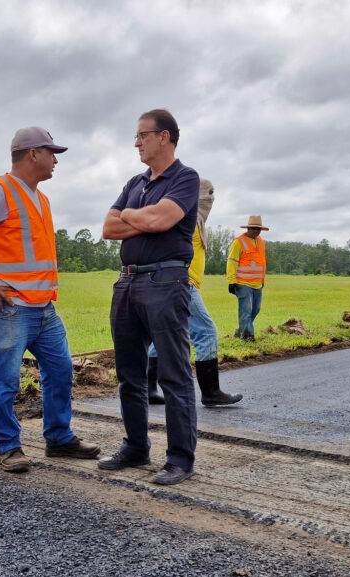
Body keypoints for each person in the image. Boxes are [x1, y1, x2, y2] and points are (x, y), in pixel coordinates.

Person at [0, 126, 100, 474]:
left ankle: (59, 438)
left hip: (44, 308)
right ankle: (9, 446)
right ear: (33, 154)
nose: (55, 159)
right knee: (4, 381)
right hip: (10, 309)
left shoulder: (40, 197)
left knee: (60, 371)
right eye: (51, 152)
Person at [100, 108, 199, 486]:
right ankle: (136, 447)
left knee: (173, 375)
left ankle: (179, 459)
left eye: (143, 135)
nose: (137, 142)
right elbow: (108, 228)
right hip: (127, 282)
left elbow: (161, 220)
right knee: (128, 373)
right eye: (136, 136)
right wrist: (142, 216)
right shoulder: (135, 182)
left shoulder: (185, 178)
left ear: (166, 137)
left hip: (166, 281)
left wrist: (132, 216)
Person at [147, 178, 242, 407]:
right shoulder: (186, 219)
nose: (210, 201)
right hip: (181, 283)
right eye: (208, 195)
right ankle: (211, 392)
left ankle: (148, 388)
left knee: (163, 334)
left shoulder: (194, 220)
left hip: (172, 284)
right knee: (207, 331)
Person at [227, 216, 268, 341]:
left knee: (256, 309)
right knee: (246, 311)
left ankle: (240, 331)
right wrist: (231, 281)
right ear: (248, 228)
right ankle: (248, 337)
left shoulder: (261, 241)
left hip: (257, 284)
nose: (256, 231)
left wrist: (262, 279)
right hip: (242, 283)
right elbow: (232, 261)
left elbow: (262, 262)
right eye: (254, 228)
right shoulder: (238, 242)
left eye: (258, 229)